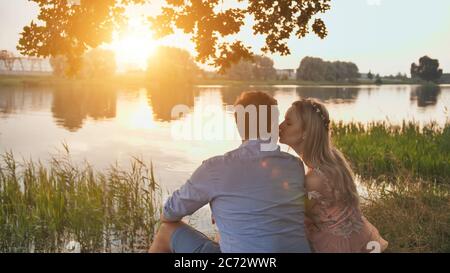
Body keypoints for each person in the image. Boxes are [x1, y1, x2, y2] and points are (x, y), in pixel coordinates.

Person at [149, 91, 311, 253]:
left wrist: (220, 209)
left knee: (166, 231)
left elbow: (169, 213)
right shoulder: (295, 165)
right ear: (274, 125)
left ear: (238, 123)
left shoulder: (215, 168)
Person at [279, 98, 388, 253]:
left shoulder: (314, 179)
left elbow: (292, 216)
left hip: (336, 246)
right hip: (358, 238)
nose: (280, 126)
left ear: (306, 133)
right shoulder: (332, 158)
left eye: (288, 123)